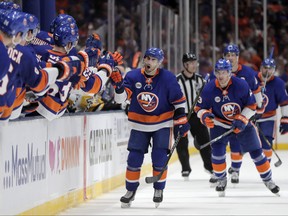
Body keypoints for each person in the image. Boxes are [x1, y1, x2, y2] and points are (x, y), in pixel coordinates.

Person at [110, 47, 190, 208]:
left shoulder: (167, 78)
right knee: (134, 158)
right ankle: (130, 191)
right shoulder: (132, 76)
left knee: (159, 157)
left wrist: (181, 120)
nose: (149, 62)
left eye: (153, 60)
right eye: (147, 58)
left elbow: (179, 102)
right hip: (139, 123)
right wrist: (118, 86)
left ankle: (158, 189)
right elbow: (120, 100)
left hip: (162, 123)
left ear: (159, 62)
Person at [194, 58, 280, 197]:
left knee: (257, 152)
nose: (221, 76)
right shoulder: (209, 88)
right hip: (220, 124)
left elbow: (252, 106)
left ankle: (268, 180)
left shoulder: (241, 85)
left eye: (224, 72)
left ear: (230, 73)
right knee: (217, 153)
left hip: (242, 124)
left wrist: (242, 118)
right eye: (218, 72)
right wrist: (205, 116)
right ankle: (221, 179)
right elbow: (199, 108)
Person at [208, 44, 263, 184]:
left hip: (242, 114)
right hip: (223, 116)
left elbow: (256, 92)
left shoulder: (248, 73)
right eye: (227, 55)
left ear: (238, 56)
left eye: (233, 55)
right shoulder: (218, 75)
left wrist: (257, 111)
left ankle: (235, 170)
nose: (230, 57)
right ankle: (219, 172)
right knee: (219, 146)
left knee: (236, 142)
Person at [175, 52, 214, 181]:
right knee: (182, 143)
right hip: (182, 115)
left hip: (197, 115)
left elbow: (207, 97)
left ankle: (209, 166)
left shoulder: (201, 80)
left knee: (204, 141)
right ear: (185, 65)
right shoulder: (177, 80)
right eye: (190, 63)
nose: (193, 65)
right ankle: (185, 168)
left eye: (194, 62)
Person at [255, 58, 288, 161]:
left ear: (274, 70)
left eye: (271, 69)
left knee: (267, 142)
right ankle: (236, 167)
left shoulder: (278, 83)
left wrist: (285, 119)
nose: (267, 71)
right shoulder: (253, 79)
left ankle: (266, 167)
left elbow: (284, 102)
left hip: (268, 118)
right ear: (260, 68)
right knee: (243, 143)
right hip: (251, 118)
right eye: (265, 68)